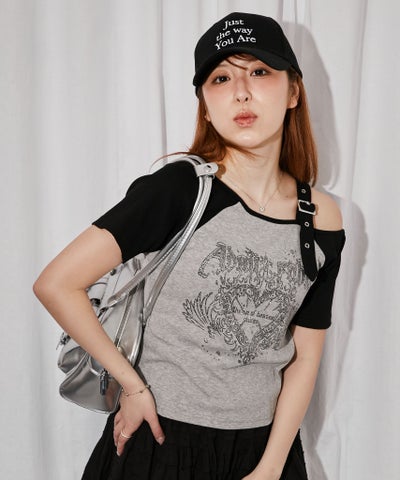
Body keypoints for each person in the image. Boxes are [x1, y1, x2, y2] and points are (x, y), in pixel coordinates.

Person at [34, 12, 345, 480]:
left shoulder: (319, 216)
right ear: (204, 103)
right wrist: (133, 387)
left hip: (266, 450)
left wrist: (271, 466)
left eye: (259, 71)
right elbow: (57, 283)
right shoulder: (180, 189)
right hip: (161, 443)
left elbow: (306, 354)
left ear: (293, 91)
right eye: (221, 78)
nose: (241, 92)